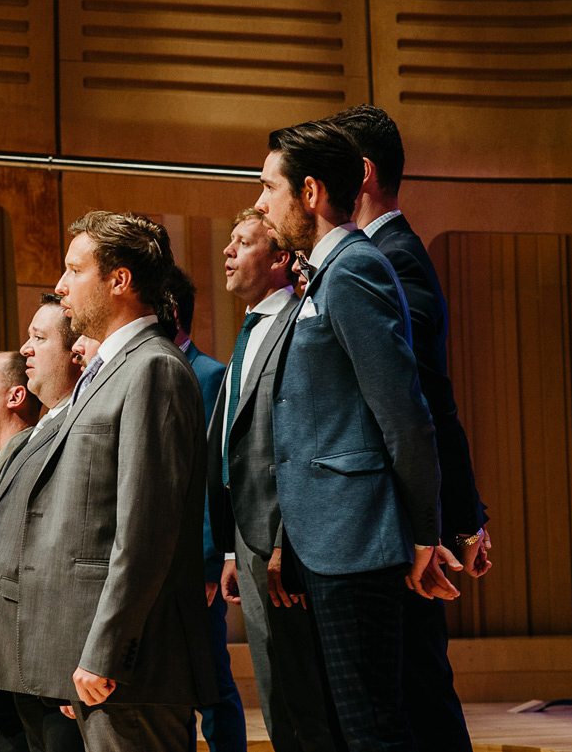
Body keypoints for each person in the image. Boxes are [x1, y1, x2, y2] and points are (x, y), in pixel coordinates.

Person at [0, 210, 216, 750]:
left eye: (74, 270)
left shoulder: (153, 367)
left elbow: (144, 532)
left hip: (131, 668)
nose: (60, 286)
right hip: (94, 666)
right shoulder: (111, 371)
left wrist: (104, 650)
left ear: (118, 280)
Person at [254, 121, 443, 751]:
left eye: (268, 187)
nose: (260, 203)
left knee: (372, 727)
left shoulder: (355, 268)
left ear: (309, 192)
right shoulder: (322, 272)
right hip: (321, 539)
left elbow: (404, 414)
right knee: (344, 725)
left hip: (358, 539)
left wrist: (423, 532)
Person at [329, 104, 492, 752]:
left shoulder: (392, 260)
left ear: (362, 173)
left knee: (418, 701)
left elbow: (424, 402)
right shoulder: (372, 256)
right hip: (388, 526)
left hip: (399, 530)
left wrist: (451, 520)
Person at [209, 209, 344, 752]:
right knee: (276, 698)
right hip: (246, 539)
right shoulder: (248, 331)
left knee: (306, 704)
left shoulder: (298, 322)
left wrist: (286, 541)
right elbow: (234, 448)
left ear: (281, 259)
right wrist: (228, 551)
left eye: (242, 242)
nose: (227, 251)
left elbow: (303, 444)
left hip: (286, 541)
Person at [0, 294, 86, 752]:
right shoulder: (36, 437)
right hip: (21, 661)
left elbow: (78, 554)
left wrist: (81, 656)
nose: (26, 348)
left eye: (38, 337)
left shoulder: (77, 428)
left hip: (62, 661)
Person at [163, 266, 247, 752]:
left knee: (211, 683)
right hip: (156, 559)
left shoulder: (211, 375)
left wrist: (212, 559)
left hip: (197, 563)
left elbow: (218, 475)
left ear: (171, 311)